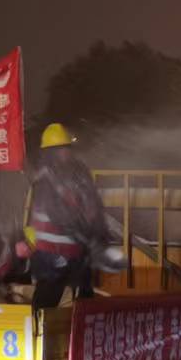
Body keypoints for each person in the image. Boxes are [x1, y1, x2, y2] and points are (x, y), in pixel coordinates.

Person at [26, 122, 113, 308]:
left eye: (67, 148)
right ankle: (36, 334)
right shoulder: (45, 179)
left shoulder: (80, 174)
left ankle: (82, 335)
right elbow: (56, 212)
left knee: (86, 300)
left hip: (77, 252)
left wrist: (99, 231)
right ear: (49, 153)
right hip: (51, 253)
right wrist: (81, 229)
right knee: (46, 301)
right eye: (60, 149)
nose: (65, 153)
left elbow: (94, 203)